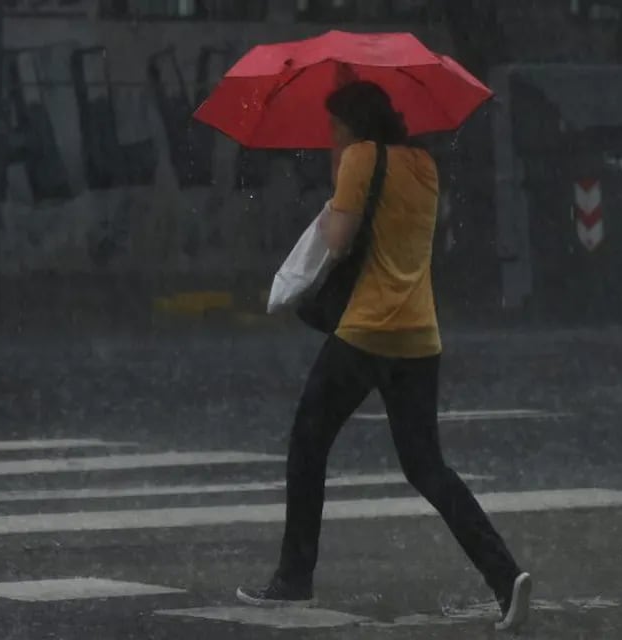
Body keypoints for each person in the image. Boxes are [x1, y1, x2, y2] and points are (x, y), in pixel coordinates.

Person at [236, 81, 532, 632]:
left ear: (351, 125)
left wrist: (330, 204)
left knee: (308, 440)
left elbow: (342, 240)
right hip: (420, 337)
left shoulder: (358, 159)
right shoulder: (424, 166)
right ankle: (505, 576)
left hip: (367, 332)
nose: (330, 138)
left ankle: (294, 578)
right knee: (427, 467)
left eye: (333, 129)